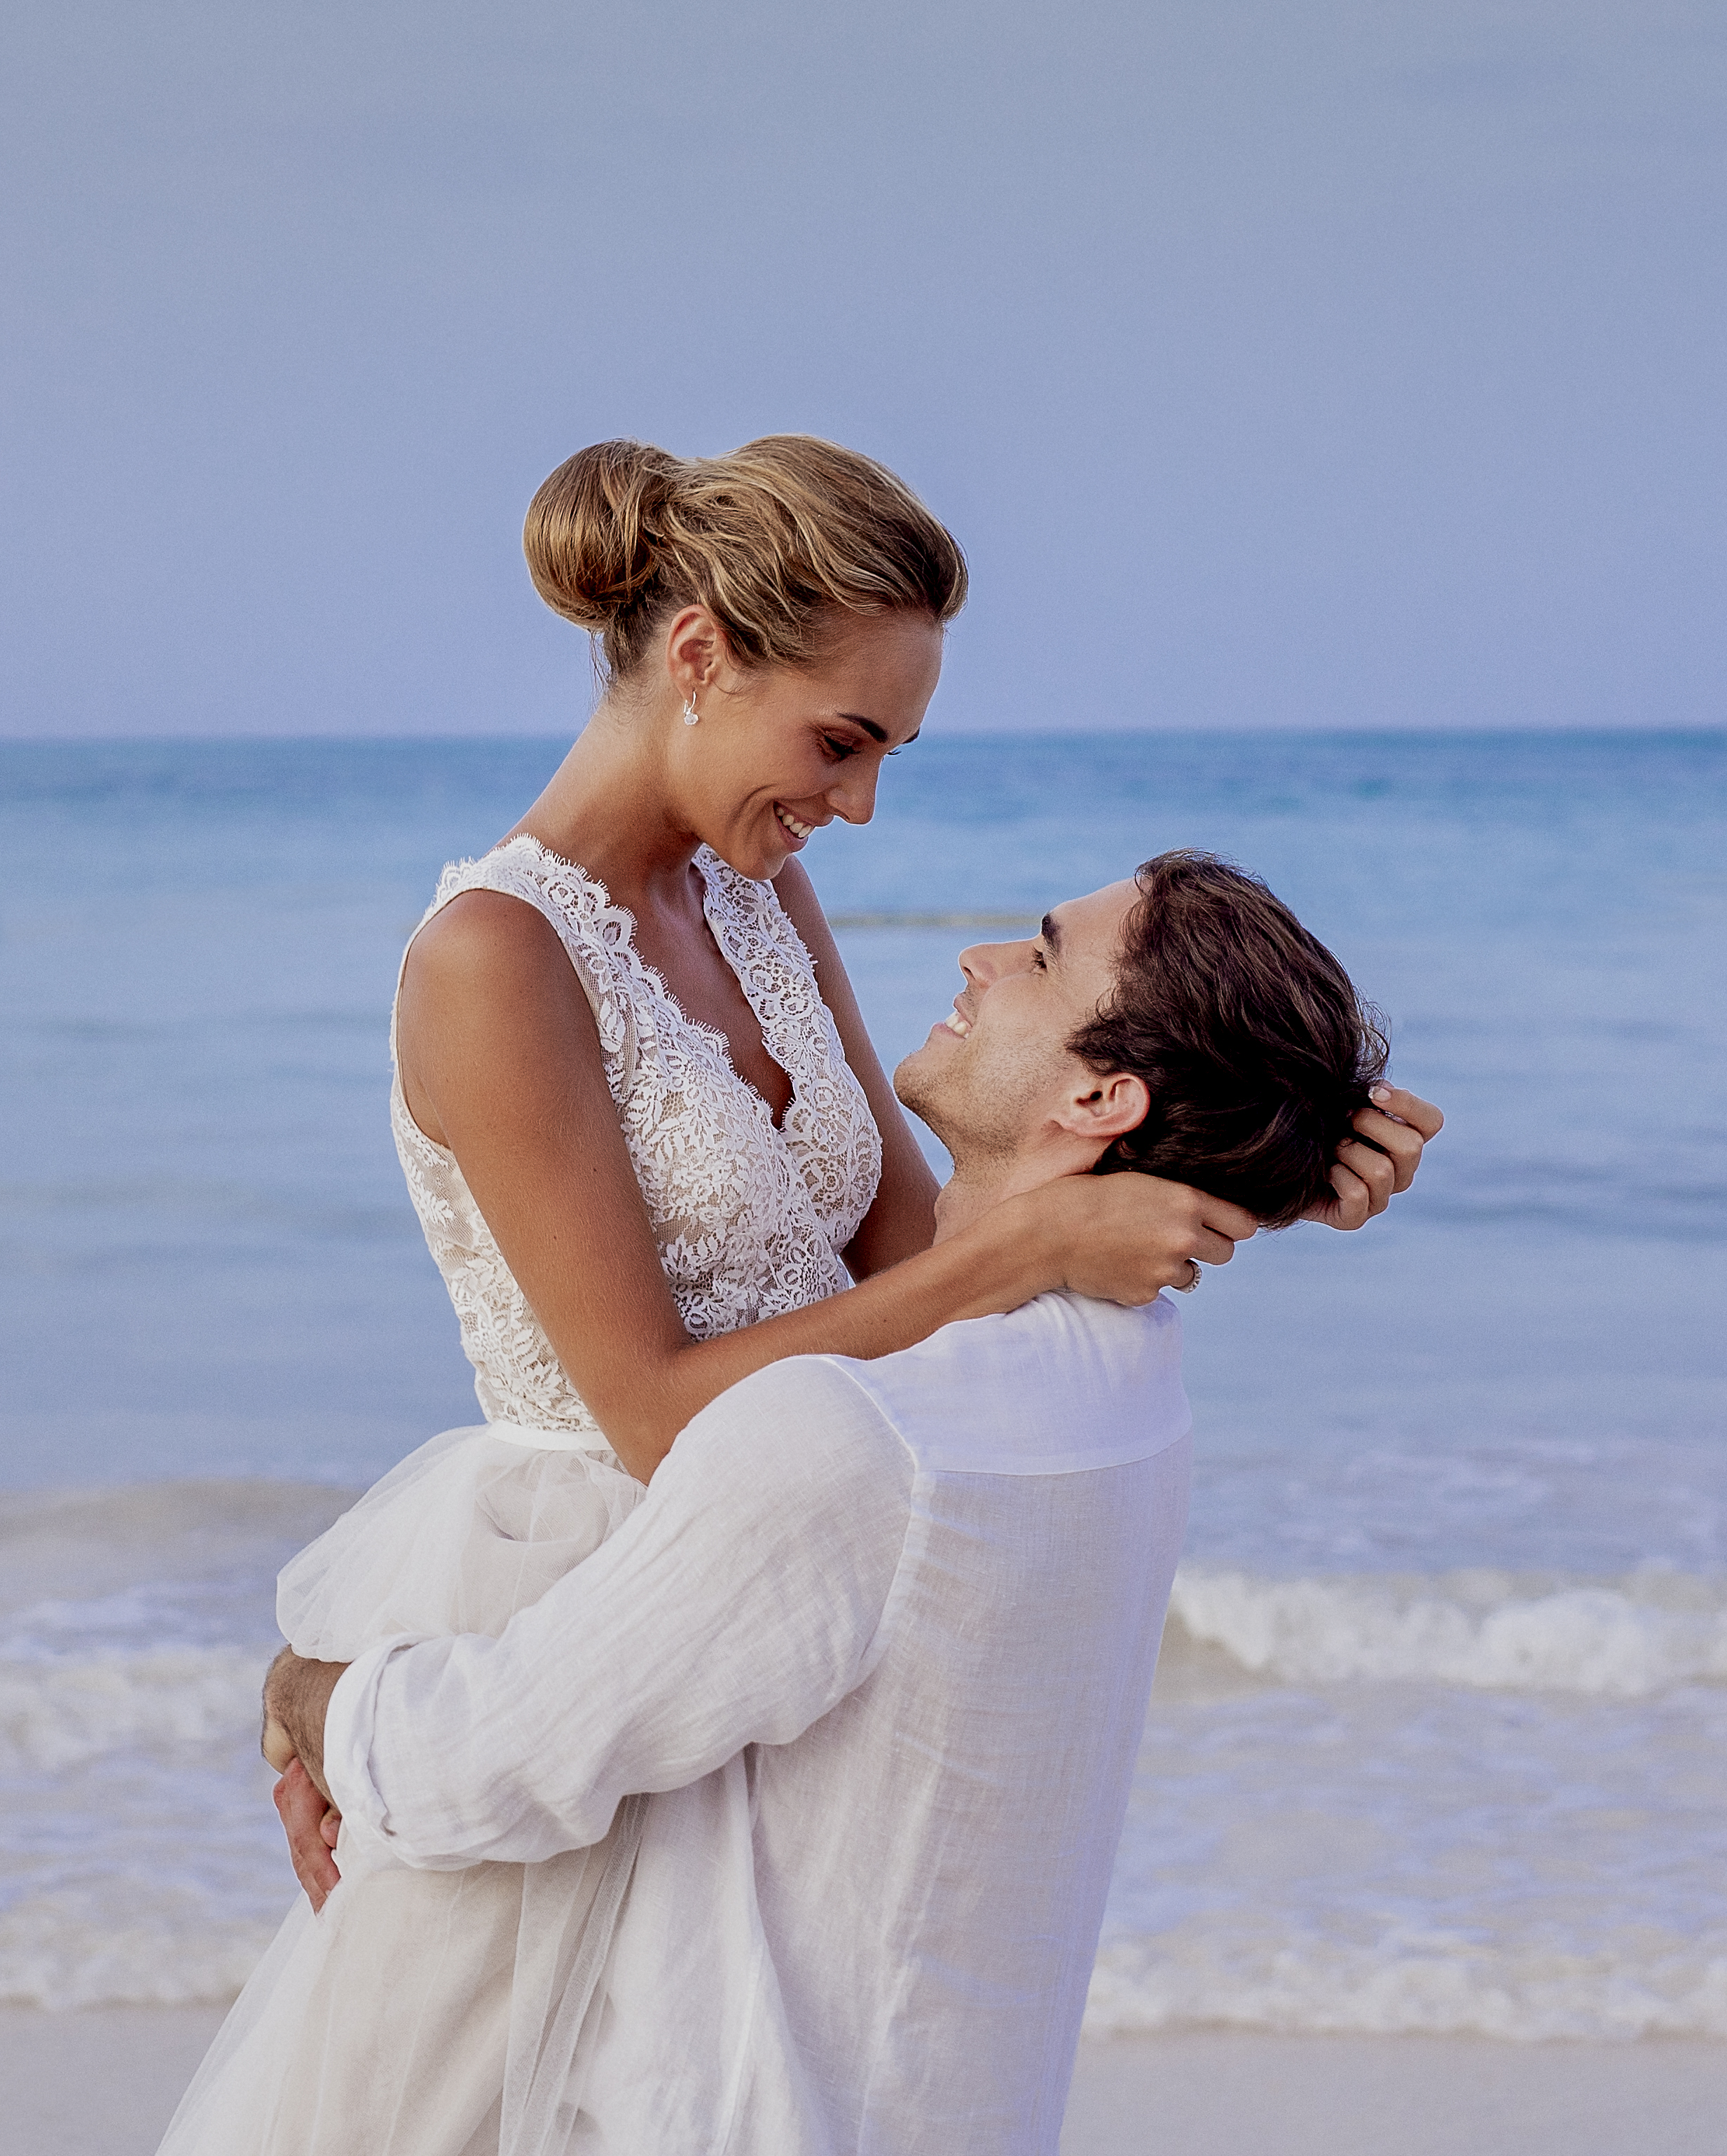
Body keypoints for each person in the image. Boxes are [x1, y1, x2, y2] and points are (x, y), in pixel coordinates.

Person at [151, 438, 1431, 2156]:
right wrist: (1039, 1246)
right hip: (580, 1586)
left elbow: (912, 1273)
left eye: (891, 752)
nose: (862, 803)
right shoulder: (495, 962)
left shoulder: (755, 892)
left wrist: (1255, 1154)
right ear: (698, 654)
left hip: (760, 1593)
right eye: (842, 741)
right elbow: (663, 1412)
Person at [263, 852, 1396, 2154]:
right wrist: (1288, 1141)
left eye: (1039, 952)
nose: (981, 958)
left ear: (1102, 1095)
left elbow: (489, 1767)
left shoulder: (855, 1442)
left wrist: (308, 1693)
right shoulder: (1132, 1382)